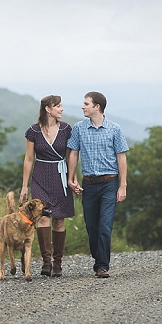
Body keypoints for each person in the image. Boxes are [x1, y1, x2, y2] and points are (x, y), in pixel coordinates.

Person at [66, 91, 128, 278]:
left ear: (97, 107)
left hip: (110, 182)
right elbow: (73, 153)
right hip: (89, 184)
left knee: (105, 225)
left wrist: (122, 185)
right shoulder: (78, 128)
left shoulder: (114, 129)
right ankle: (98, 255)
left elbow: (121, 157)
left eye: (86, 103)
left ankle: (102, 265)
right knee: (91, 225)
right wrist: (72, 178)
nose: (83, 106)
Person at [20, 95, 75, 277]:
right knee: (43, 218)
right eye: (58, 106)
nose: (61, 109)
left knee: (59, 219)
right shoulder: (33, 131)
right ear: (48, 109)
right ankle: (46, 262)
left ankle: (58, 263)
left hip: (60, 176)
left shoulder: (67, 129)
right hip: (40, 176)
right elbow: (29, 159)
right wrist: (25, 186)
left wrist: (73, 179)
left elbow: (70, 157)